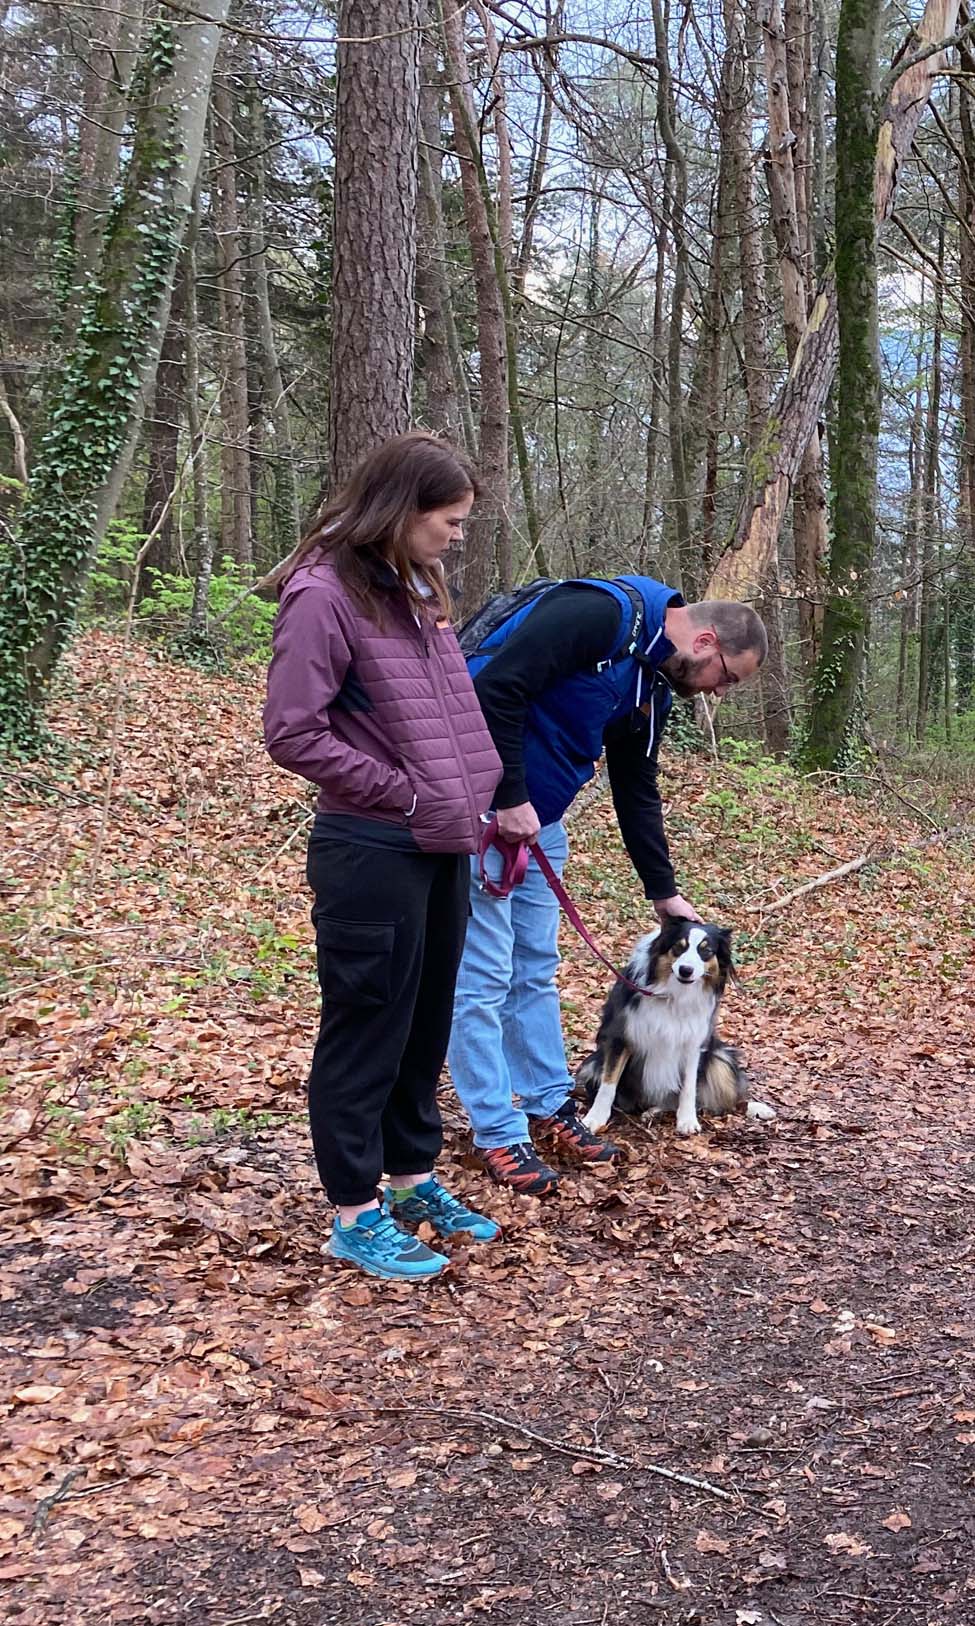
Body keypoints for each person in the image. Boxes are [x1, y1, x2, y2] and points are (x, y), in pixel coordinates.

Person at [261, 432, 506, 1279]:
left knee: (423, 1022)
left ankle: (411, 1180)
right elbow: (293, 731)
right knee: (366, 1026)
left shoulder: (412, 588)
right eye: (449, 519)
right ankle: (353, 1211)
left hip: (442, 844)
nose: (459, 535)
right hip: (371, 847)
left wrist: (468, 803)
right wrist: (403, 794)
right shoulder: (323, 595)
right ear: (402, 510)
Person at [451, 572, 766, 1193]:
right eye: (727, 678)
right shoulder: (599, 616)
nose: (720, 693)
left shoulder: (652, 688)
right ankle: (496, 1129)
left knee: (535, 968)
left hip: (541, 826)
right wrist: (510, 796)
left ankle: (548, 1106)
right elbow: (495, 687)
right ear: (705, 641)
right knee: (483, 976)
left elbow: (635, 787)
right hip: (482, 812)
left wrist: (663, 891)